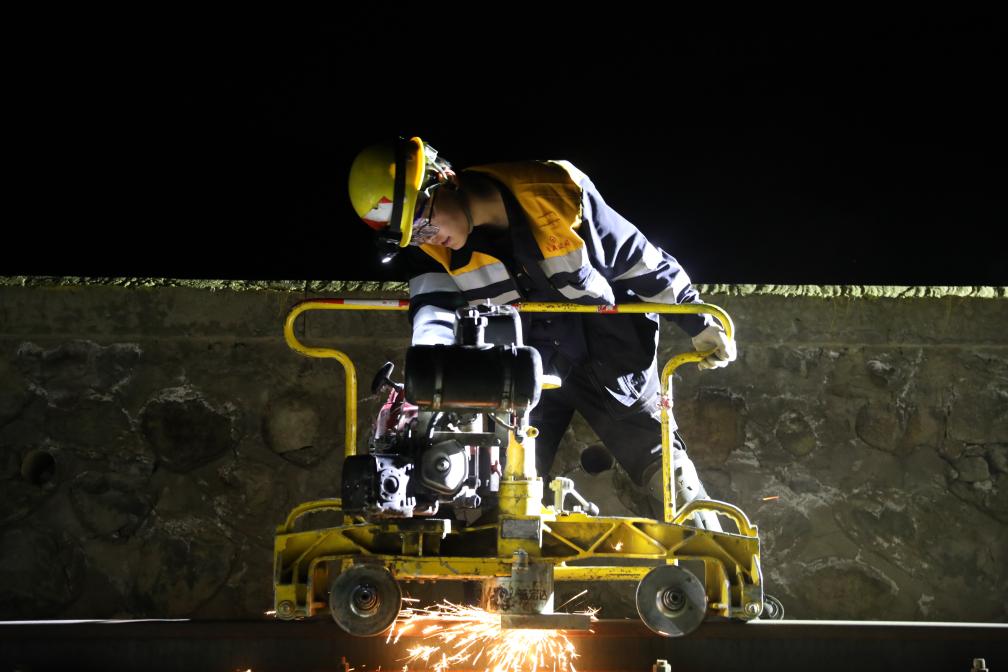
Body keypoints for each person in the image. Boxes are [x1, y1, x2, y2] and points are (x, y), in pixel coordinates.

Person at [347, 136, 736, 529]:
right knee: (503, 491)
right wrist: (429, 391)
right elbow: (433, 318)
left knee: (668, 477)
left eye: (422, 221)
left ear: (443, 180)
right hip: (526, 371)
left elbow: (640, 261)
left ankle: (720, 561)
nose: (426, 237)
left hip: (608, 359)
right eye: (413, 235)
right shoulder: (432, 251)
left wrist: (699, 321)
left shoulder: (554, 192)